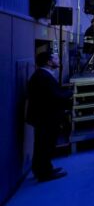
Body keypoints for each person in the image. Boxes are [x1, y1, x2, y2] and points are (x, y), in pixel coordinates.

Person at [26, 52, 72, 182]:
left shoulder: (42, 75)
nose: (59, 60)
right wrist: (69, 93)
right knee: (45, 145)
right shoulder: (43, 77)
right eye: (56, 58)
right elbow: (55, 96)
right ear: (49, 62)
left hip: (44, 117)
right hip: (46, 118)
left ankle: (42, 168)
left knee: (42, 144)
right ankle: (44, 172)